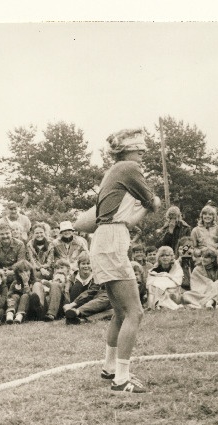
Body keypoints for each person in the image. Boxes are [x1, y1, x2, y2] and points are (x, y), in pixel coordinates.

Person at [90, 127, 161, 394]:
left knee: (120, 312)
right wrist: (152, 203)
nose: (143, 151)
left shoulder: (114, 171)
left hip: (106, 237)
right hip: (111, 239)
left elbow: (131, 218)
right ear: (126, 150)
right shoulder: (129, 168)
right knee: (135, 311)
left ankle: (110, 368)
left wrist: (146, 206)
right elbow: (152, 202)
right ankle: (121, 379)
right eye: (138, 147)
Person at [63, 253, 112, 324]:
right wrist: (70, 304)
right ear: (78, 265)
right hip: (81, 303)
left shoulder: (97, 276)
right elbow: (66, 291)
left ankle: (79, 317)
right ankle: (76, 313)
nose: (86, 266)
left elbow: (92, 291)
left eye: (88, 263)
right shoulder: (72, 277)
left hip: (94, 304)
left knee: (111, 309)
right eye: (83, 264)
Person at [146, 246, 184, 311]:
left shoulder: (176, 267)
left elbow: (178, 280)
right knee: (153, 286)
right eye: (162, 255)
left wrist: (166, 277)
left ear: (171, 257)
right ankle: (153, 305)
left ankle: (162, 304)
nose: (165, 257)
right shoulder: (155, 269)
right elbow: (149, 281)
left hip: (173, 292)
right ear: (159, 258)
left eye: (167, 255)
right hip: (157, 291)